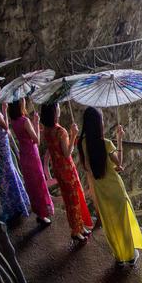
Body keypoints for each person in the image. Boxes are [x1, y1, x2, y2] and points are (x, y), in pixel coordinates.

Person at [78, 106, 142, 265]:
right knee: (123, 221)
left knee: (110, 223)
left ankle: (119, 256)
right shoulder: (106, 144)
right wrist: (119, 139)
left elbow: (87, 166)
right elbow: (119, 162)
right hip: (115, 187)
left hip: (101, 190)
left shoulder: (82, 143)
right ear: (99, 124)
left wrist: (109, 166)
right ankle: (130, 255)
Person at [42, 103, 93, 242]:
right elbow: (67, 152)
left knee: (69, 198)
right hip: (66, 168)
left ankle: (79, 226)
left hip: (57, 169)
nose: (59, 108)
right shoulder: (61, 131)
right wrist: (73, 135)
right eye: (57, 106)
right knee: (74, 198)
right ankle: (76, 230)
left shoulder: (46, 130)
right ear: (54, 112)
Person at [0, 83, 30, 222]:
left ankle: (11, 204)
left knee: (4, 172)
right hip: (2, 144)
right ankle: (16, 203)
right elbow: (5, 126)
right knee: (8, 171)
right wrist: (4, 109)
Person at [9, 99, 53, 224]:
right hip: (32, 154)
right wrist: (36, 122)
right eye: (23, 100)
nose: (25, 101)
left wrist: (34, 125)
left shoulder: (14, 120)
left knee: (31, 184)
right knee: (39, 183)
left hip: (23, 154)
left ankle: (38, 211)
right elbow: (36, 140)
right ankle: (43, 214)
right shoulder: (25, 120)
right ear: (19, 104)